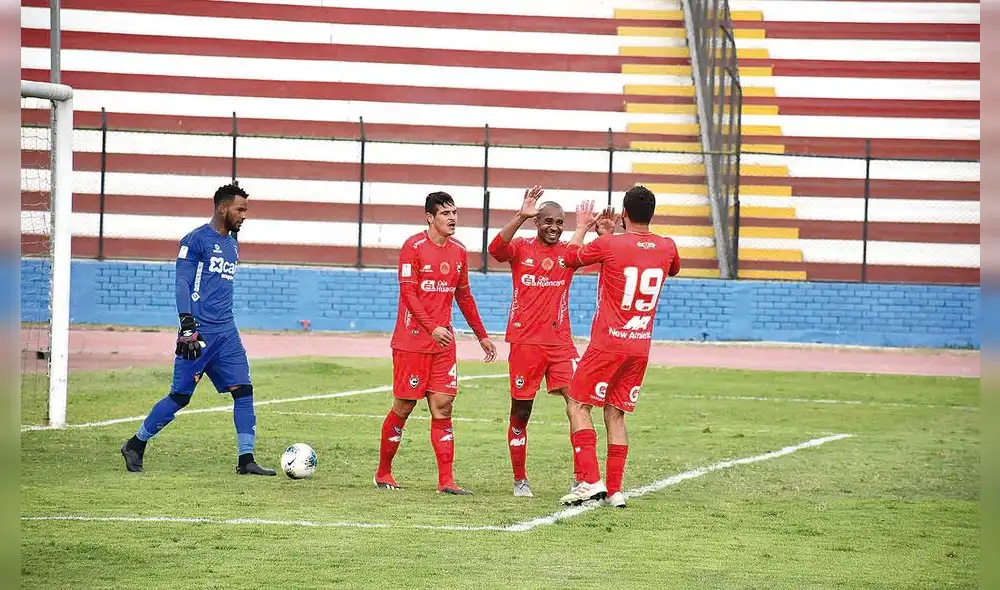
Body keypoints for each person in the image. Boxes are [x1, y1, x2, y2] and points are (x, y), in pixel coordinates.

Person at [121, 183, 276, 476]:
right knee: (180, 396)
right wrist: (187, 326)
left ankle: (246, 460)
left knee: (243, 391)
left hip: (227, 333)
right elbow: (182, 283)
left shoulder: (232, 244)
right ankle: (135, 444)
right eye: (240, 209)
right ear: (222, 208)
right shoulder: (195, 241)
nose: (244, 216)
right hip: (199, 333)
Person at [559, 186, 682, 507]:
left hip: (608, 343)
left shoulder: (609, 244)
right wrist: (615, 237)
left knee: (577, 404)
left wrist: (584, 227)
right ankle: (615, 490)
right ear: (651, 214)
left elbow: (570, 258)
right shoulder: (667, 246)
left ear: (624, 213)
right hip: (640, 346)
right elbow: (672, 267)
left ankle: (589, 481)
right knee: (616, 415)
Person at [375, 191, 498, 495]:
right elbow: (409, 293)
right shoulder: (412, 247)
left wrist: (481, 335)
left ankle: (447, 481)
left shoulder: (458, 251)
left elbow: (464, 295)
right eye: (445, 213)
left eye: (455, 213)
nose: (452, 218)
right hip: (412, 342)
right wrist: (431, 328)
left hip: (443, 345)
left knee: (443, 407)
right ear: (430, 217)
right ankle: (383, 472)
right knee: (404, 406)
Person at [487, 185, 579, 498]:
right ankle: (520, 480)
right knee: (521, 413)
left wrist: (604, 231)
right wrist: (519, 216)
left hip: (560, 345)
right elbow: (495, 250)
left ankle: (582, 478)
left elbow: (601, 255)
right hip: (525, 344)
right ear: (536, 223)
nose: (554, 227)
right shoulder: (521, 248)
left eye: (559, 223)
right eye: (547, 221)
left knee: (577, 405)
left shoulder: (569, 253)